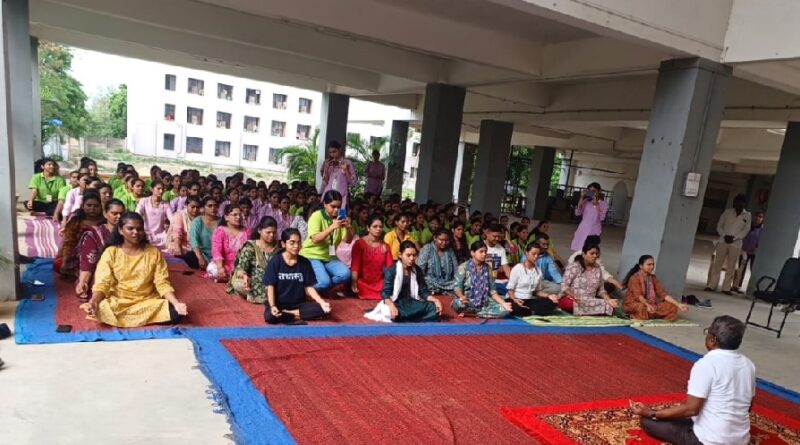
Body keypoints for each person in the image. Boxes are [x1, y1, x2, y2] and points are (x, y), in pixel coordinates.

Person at [631, 315, 755, 445]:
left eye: (707, 332)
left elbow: (691, 410)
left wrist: (650, 413)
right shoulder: (748, 364)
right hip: (741, 440)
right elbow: (748, 406)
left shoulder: (706, 364)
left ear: (712, 340)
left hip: (710, 441)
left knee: (648, 422)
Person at [79, 212, 188, 327]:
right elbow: (102, 283)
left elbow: (162, 282)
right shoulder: (111, 252)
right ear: (121, 230)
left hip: (147, 301)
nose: (135, 232)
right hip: (119, 301)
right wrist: (93, 302)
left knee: (176, 312)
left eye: (139, 229)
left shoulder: (153, 252)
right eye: (130, 229)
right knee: (101, 308)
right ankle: (142, 318)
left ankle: (123, 320)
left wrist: (176, 303)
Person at [264, 228, 332, 324]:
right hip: (279, 304)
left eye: (298, 243)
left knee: (323, 309)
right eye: (292, 243)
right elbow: (270, 286)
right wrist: (272, 306)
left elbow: (308, 287)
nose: (296, 246)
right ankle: (295, 315)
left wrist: (321, 302)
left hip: (298, 304)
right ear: (283, 244)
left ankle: (288, 314)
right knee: (269, 316)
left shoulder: (305, 262)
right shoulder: (275, 261)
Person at [367, 241, 442, 322]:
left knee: (433, 308)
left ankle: (407, 319)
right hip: (396, 303)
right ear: (400, 255)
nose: (412, 258)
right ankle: (414, 318)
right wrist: (391, 305)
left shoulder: (417, 270)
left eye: (414, 255)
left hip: (412, 302)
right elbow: (385, 293)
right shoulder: (391, 271)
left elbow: (423, 291)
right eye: (408, 255)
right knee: (388, 312)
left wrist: (436, 300)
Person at [301, 190, 353, 291]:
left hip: (329, 257)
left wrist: (348, 227)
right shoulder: (316, 216)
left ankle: (325, 288)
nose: (336, 210)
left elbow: (348, 240)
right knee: (324, 282)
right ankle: (305, 290)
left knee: (346, 274)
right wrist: (332, 227)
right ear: (324, 204)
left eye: (338, 207)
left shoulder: (340, 218)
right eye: (333, 206)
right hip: (312, 255)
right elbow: (315, 239)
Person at [74, 199, 125, 300]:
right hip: (103, 274)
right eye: (114, 213)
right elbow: (88, 263)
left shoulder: (130, 231)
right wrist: (83, 282)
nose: (119, 217)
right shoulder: (94, 235)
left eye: (122, 214)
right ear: (105, 214)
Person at [452, 242, 512, 318]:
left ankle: (474, 313)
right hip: (467, 301)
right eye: (481, 251)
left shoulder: (488, 268)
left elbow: (492, 292)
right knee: (459, 304)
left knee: (505, 310)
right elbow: (457, 287)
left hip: (484, 302)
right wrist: (461, 297)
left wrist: (504, 304)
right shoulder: (464, 267)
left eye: (485, 252)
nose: (484, 254)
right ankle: (477, 312)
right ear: (472, 253)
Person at [705, 195, 751, 295]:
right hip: (723, 241)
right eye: (736, 202)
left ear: (744, 204)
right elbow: (719, 225)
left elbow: (746, 230)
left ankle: (726, 288)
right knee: (717, 264)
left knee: (731, 266)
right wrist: (724, 235)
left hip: (736, 244)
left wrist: (734, 238)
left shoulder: (747, 215)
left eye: (741, 203)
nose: (738, 204)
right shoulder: (727, 212)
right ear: (734, 203)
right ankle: (712, 285)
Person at [228, 216, 279, 304]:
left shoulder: (279, 248)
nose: (271, 235)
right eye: (268, 232)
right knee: (237, 283)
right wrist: (245, 276)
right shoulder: (250, 247)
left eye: (274, 232)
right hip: (253, 280)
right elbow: (241, 268)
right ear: (259, 230)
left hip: (274, 280)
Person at [622, 255, 688, 321]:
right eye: (649, 264)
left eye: (653, 264)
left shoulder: (653, 278)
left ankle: (649, 313)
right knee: (641, 307)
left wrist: (678, 304)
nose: (652, 267)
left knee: (672, 306)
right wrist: (647, 305)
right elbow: (638, 296)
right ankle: (641, 314)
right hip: (633, 303)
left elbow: (663, 294)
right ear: (641, 266)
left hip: (649, 304)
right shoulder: (634, 278)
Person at [560, 241, 617, 316]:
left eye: (596, 254)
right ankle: (592, 311)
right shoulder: (574, 266)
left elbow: (601, 290)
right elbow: (564, 286)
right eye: (592, 253)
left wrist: (608, 300)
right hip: (574, 299)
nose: (595, 256)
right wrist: (574, 296)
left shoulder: (598, 268)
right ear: (583, 254)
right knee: (570, 304)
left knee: (611, 305)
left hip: (590, 300)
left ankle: (586, 311)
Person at [56, 191, 105, 278]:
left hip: (98, 256)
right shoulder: (76, 221)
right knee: (58, 265)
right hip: (76, 257)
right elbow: (68, 241)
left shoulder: (104, 223)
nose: (92, 208)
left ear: (101, 207)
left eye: (96, 206)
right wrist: (61, 258)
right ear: (82, 206)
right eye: (89, 205)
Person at [507, 243, 561, 316]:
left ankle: (528, 311)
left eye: (538, 254)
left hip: (528, 300)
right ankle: (531, 311)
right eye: (533, 254)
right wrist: (515, 299)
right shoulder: (517, 268)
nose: (536, 256)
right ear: (526, 253)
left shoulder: (538, 271)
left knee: (551, 303)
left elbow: (537, 291)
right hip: (515, 299)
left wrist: (549, 296)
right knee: (515, 307)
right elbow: (510, 290)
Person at [350, 215, 394, 300]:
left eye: (381, 227)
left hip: (380, 283)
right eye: (375, 226)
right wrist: (354, 282)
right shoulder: (359, 244)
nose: (378, 229)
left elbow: (390, 267)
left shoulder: (385, 246)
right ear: (368, 228)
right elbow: (355, 265)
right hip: (362, 282)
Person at [209, 205, 250, 282]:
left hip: (242, 265)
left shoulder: (246, 231)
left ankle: (231, 278)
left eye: (240, 214)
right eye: (235, 215)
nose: (238, 217)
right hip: (224, 264)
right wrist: (220, 267)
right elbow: (216, 250)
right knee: (212, 269)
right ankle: (232, 278)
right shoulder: (220, 230)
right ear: (226, 217)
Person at [416, 228, 458, 296]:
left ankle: (440, 290)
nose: (444, 243)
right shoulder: (427, 248)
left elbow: (456, 270)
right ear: (435, 238)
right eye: (441, 240)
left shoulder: (450, 251)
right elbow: (420, 270)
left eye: (446, 240)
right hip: (431, 283)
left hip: (448, 283)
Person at [570, 182, 608, 252]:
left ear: (599, 191)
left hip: (594, 230)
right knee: (579, 250)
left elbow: (602, 217)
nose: (592, 193)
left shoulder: (604, 204)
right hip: (583, 228)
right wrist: (581, 198)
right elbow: (577, 212)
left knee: (590, 250)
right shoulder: (586, 202)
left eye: (594, 191)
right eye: (590, 191)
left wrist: (596, 205)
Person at [135, 182, 173, 250]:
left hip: (162, 237)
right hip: (146, 235)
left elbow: (172, 220)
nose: (161, 191)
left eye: (163, 189)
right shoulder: (144, 201)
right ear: (151, 189)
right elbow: (137, 215)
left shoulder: (166, 204)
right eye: (158, 189)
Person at [733, 210, 764, 293]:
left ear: (763, 219)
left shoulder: (763, 229)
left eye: (760, 217)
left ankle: (752, 288)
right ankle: (736, 285)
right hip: (744, 251)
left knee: (753, 269)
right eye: (756, 216)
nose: (758, 218)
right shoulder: (748, 226)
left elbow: (762, 240)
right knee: (741, 269)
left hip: (754, 253)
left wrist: (757, 247)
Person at [320, 140, 356, 209]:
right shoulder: (328, 163)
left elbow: (353, 183)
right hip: (329, 195)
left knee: (341, 217)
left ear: (340, 150)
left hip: (341, 197)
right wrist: (326, 170)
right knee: (326, 218)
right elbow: (326, 182)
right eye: (330, 152)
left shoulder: (347, 163)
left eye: (334, 151)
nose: (332, 154)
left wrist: (346, 170)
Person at [188, 197, 220, 270]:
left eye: (215, 206)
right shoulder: (197, 221)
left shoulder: (221, 222)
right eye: (210, 206)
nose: (213, 208)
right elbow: (194, 240)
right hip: (202, 254)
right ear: (203, 208)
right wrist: (200, 257)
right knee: (190, 256)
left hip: (218, 255)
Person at [484, 224, 511, 295]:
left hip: (495, 281)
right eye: (494, 236)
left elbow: (506, 268)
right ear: (487, 233)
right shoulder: (480, 246)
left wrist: (512, 280)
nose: (496, 239)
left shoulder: (501, 249)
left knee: (513, 288)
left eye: (498, 236)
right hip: (482, 279)